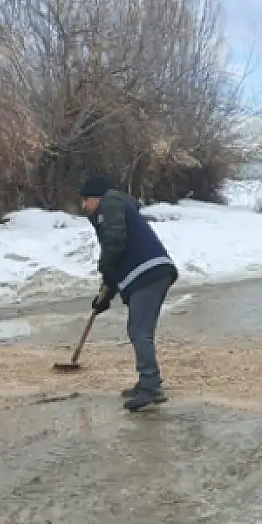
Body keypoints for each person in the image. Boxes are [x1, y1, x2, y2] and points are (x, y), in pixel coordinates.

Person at [79, 176, 179, 411]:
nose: (83, 206)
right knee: (140, 330)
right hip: (151, 272)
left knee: (139, 331)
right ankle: (147, 382)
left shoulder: (111, 203)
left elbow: (115, 244)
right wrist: (105, 296)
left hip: (149, 273)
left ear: (96, 197)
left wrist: (105, 267)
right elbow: (116, 257)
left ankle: (151, 387)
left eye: (85, 200)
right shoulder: (113, 210)